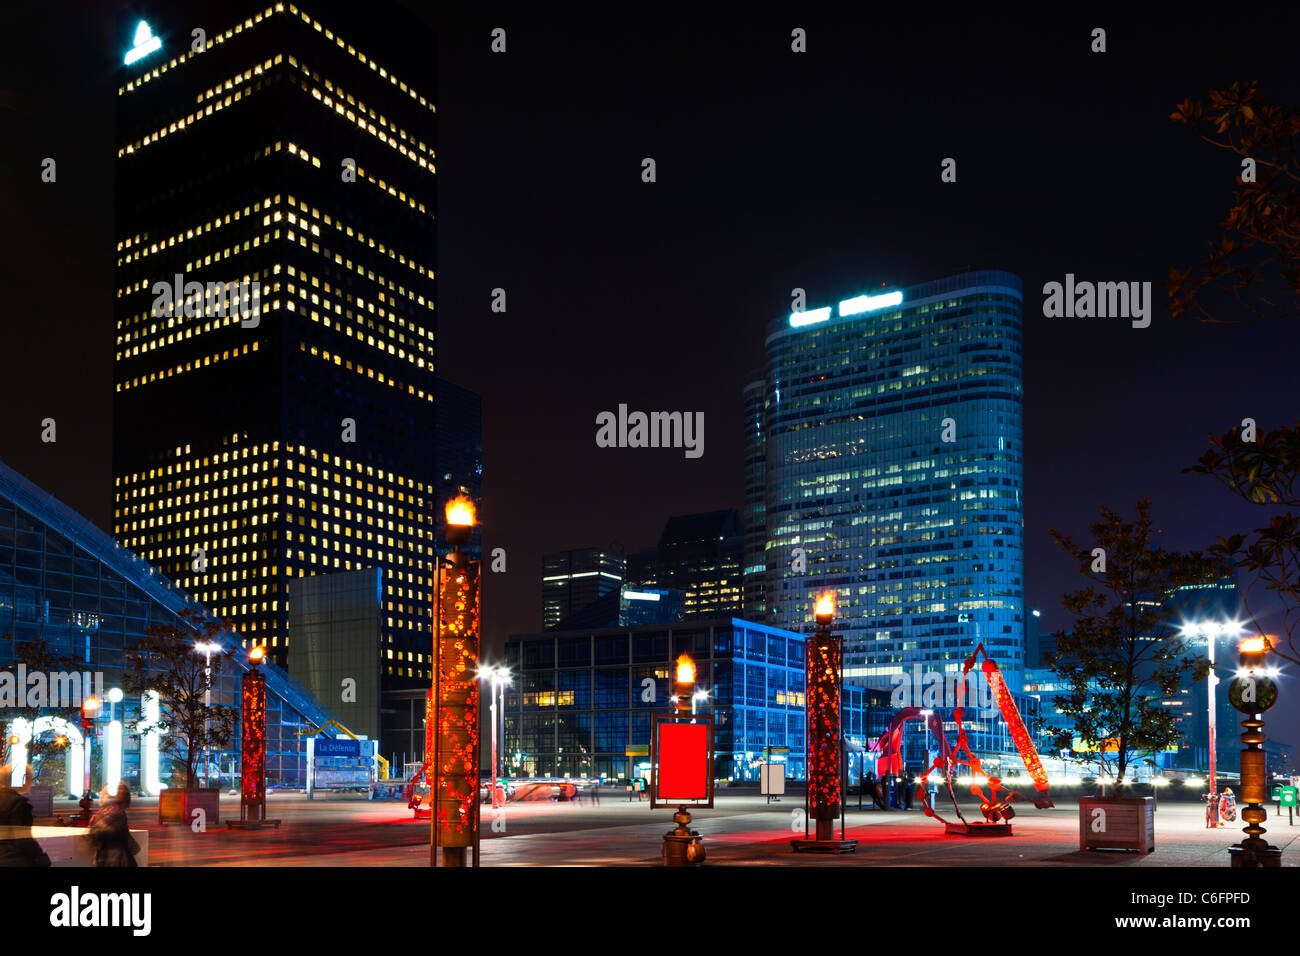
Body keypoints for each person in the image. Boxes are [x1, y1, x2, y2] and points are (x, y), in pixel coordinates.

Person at [0, 764, 51, 867]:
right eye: (29, 778)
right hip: (11, 859)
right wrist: (40, 857)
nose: (31, 782)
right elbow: (22, 839)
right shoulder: (18, 804)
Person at [85, 783, 138, 867]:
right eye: (102, 792)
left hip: (116, 862)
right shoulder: (109, 813)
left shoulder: (115, 813)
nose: (101, 795)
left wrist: (95, 822)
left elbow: (94, 834)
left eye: (106, 794)